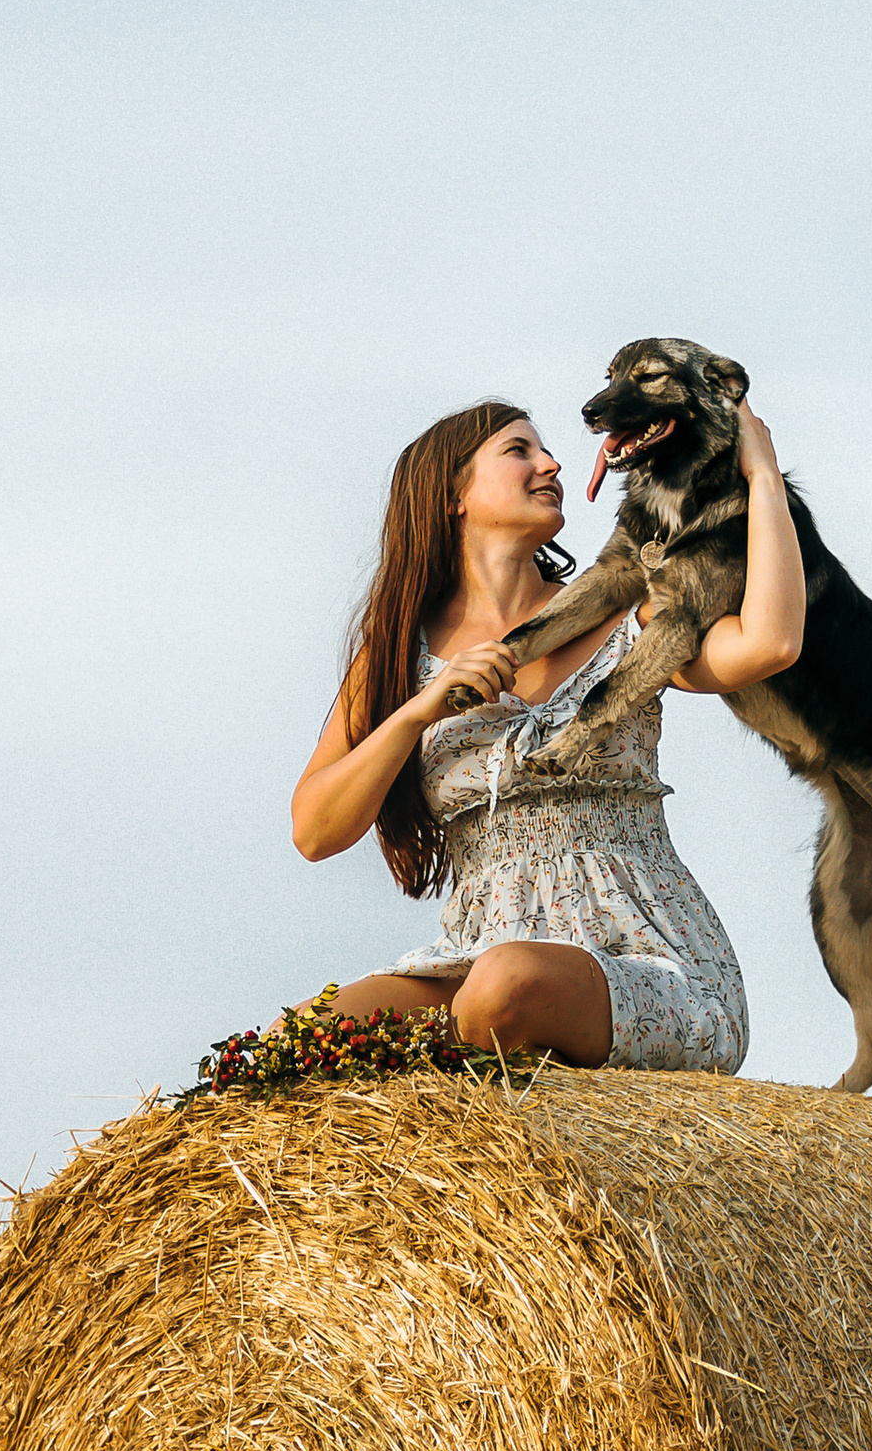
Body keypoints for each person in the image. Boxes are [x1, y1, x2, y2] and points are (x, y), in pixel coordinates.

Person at [289, 394, 805, 1070]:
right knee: (301, 1038)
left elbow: (770, 643)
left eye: (547, 449)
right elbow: (314, 831)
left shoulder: (629, 614)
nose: (553, 463)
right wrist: (420, 710)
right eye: (519, 450)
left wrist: (763, 478)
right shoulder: (395, 658)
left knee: (505, 989)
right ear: (452, 497)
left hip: (645, 957)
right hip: (471, 961)